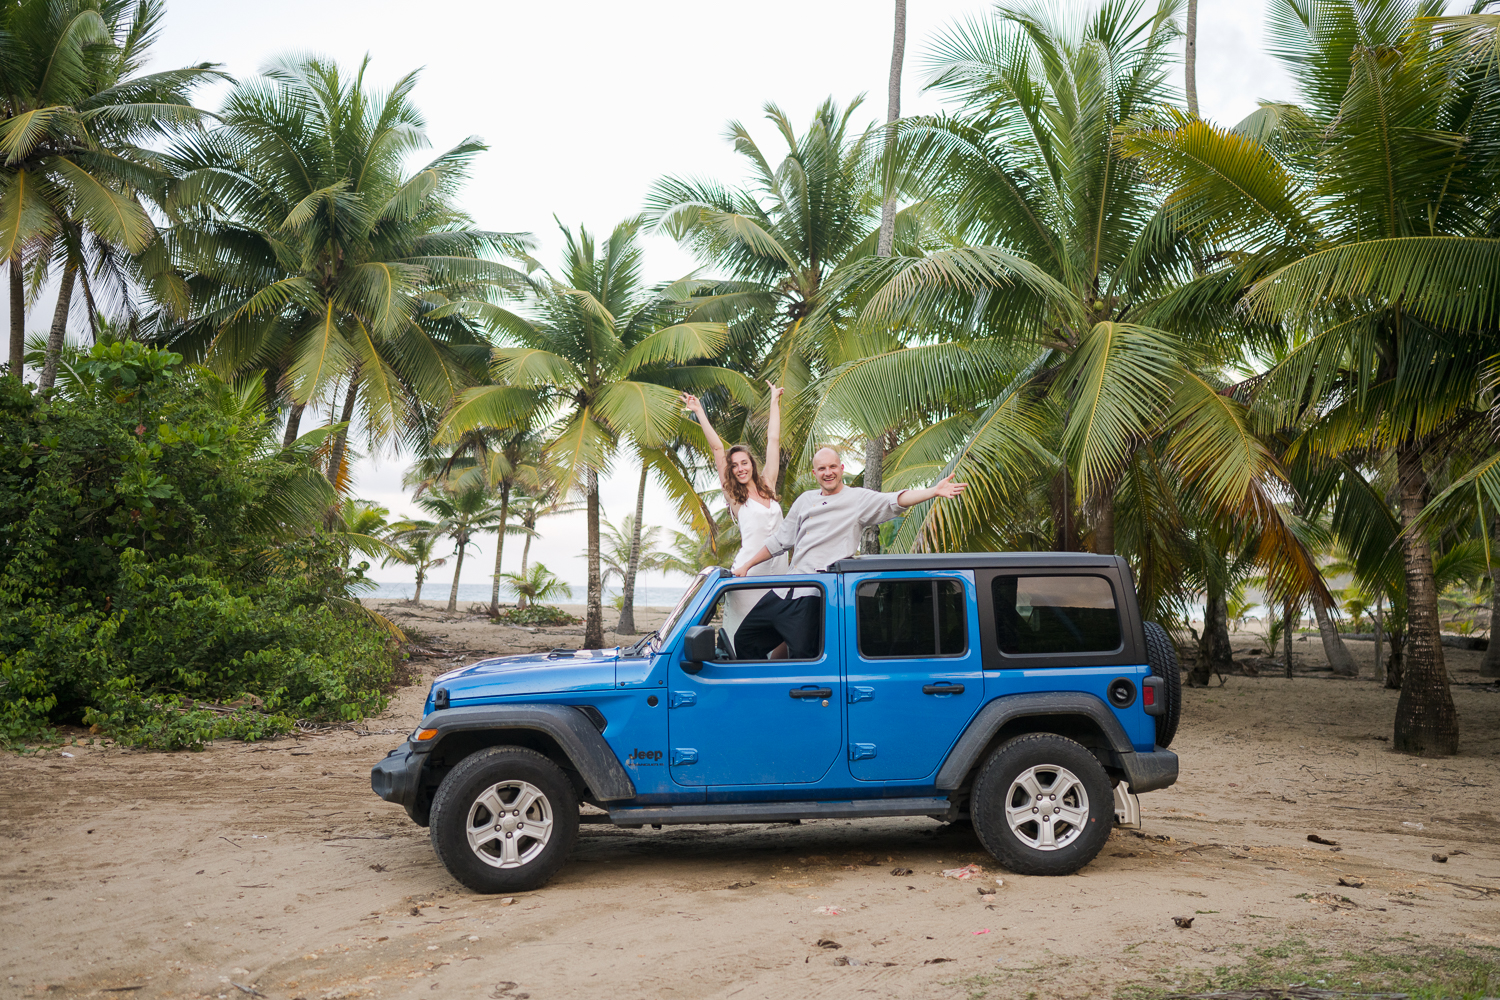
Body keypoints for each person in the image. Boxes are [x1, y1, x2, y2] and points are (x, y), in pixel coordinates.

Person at [731, 446, 968, 659]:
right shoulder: (805, 500)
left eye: (832, 466)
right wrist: (746, 565)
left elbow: (894, 500)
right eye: (821, 468)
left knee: (804, 658)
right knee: (744, 640)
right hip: (784, 589)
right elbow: (778, 542)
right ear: (815, 474)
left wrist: (933, 491)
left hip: (814, 595)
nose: (828, 472)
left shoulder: (856, 499)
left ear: (841, 468)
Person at [681, 383, 789, 648]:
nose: (740, 468)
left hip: (782, 576)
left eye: (744, 462)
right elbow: (718, 450)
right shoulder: (734, 497)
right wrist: (699, 411)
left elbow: (773, 440)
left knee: (782, 643)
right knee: (745, 644)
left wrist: (774, 400)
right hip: (748, 576)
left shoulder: (769, 485)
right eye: (735, 465)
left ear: (752, 464)